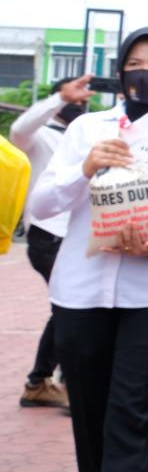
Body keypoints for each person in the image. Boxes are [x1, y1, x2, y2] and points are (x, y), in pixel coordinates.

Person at [28, 27, 148, 472]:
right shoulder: (86, 130)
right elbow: (40, 208)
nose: (146, 73)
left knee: (133, 420)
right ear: (121, 71)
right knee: (91, 420)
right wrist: (83, 168)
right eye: (136, 63)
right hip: (81, 296)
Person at [10, 75, 92, 409]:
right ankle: (65, 383)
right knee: (72, 309)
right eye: (75, 96)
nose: (80, 102)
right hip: (47, 236)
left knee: (65, 309)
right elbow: (19, 129)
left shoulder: (86, 137)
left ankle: (40, 381)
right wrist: (58, 98)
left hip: (73, 238)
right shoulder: (40, 135)